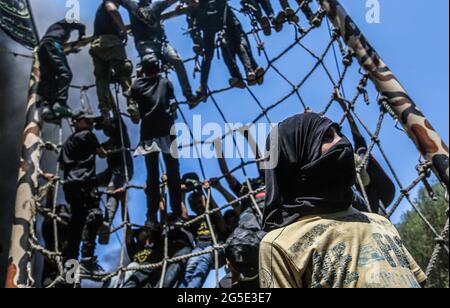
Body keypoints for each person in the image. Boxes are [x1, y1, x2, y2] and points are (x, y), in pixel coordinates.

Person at [259, 113, 427, 288]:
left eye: (340, 134)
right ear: (297, 155)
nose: (342, 142)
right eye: (327, 137)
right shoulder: (280, 244)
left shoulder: (380, 223)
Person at [130, 56, 182, 228]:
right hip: (167, 129)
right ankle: (176, 213)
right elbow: (172, 101)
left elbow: (131, 97)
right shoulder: (165, 82)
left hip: (149, 132)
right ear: (158, 67)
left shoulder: (137, 85)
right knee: (173, 174)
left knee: (152, 176)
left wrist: (137, 76)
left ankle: (151, 215)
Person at [121, 0, 201, 108]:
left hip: (161, 43)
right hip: (145, 45)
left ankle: (189, 96)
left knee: (176, 60)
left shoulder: (156, 6)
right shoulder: (133, 6)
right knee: (149, 65)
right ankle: (137, 101)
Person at [58, 110, 107, 277]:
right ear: (78, 122)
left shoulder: (67, 142)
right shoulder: (88, 134)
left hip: (70, 186)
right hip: (85, 183)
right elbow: (102, 154)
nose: (91, 124)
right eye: (87, 121)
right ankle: (87, 259)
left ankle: (69, 270)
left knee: (76, 226)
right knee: (95, 215)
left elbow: (62, 167)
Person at [187, 0, 264, 99]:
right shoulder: (195, 14)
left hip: (223, 15)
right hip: (209, 23)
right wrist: (203, 84)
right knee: (219, 48)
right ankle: (238, 76)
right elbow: (207, 57)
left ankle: (251, 70)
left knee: (237, 43)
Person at [178, 174, 228, 288]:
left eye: (199, 202)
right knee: (190, 267)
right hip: (199, 247)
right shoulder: (194, 220)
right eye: (194, 204)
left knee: (204, 259)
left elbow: (216, 212)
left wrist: (203, 191)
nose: (197, 206)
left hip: (216, 246)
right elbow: (184, 216)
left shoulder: (212, 216)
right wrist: (182, 194)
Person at [90, 0, 136, 123]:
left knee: (102, 79)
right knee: (123, 71)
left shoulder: (100, 12)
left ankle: (104, 111)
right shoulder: (108, 3)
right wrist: (124, 31)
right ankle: (131, 103)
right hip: (111, 42)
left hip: (97, 46)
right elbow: (113, 10)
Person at [37, 19, 86, 121]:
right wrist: (81, 36)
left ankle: (48, 108)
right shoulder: (64, 24)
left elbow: (55, 53)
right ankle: (60, 103)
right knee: (65, 74)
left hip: (43, 48)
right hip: (52, 44)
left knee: (49, 78)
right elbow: (81, 25)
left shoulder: (54, 29)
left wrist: (71, 50)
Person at [96, 116, 134, 245]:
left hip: (123, 168)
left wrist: (107, 106)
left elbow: (117, 116)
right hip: (111, 170)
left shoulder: (121, 135)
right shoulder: (108, 142)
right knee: (90, 182)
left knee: (112, 188)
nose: (104, 132)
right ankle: (95, 217)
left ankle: (107, 222)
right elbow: (97, 149)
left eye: (106, 128)